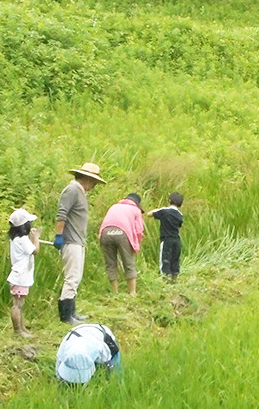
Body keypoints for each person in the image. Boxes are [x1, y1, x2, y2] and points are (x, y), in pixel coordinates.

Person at [54, 162, 106, 325]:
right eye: (94, 182)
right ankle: (66, 316)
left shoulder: (80, 192)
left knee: (76, 277)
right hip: (71, 241)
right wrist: (59, 235)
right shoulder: (72, 190)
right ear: (87, 179)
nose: (94, 186)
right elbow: (62, 213)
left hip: (78, 241)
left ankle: (72, 312)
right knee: (72, 277)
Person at [98, 192, 145, 295]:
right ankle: (132, 293)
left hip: (105, 233)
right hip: (122, 233)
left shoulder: (114, 206)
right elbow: (139, 230)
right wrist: (136, 245)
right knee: (128, 263)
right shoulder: (135, 210)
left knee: (111, 264)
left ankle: (115, 292)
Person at [7, 208, 40, 338]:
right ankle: (18, 331)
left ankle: (22, 328)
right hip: (20, 277)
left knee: (19, 304)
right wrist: (36, 237)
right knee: (17, 305)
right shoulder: (22, 240)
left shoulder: (16, 239)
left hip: (18, 275)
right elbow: (35, 251)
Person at [55, 323, 121, 385]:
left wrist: (108, 378)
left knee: (115, 377)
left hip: (103, 335)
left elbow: (108, 363)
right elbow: (58, 373)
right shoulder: (64, 350)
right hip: (77, 332)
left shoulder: (99, 347)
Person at [147, 191, 184, 280]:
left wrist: (161, 208)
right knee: (175, 259)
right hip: (177, 240)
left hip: (166, 239)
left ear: (169, 200)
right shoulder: (180, 215)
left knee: (165, 260)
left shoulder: (164, 211)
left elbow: (149, 214)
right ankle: (174, 279)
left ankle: (165, 279)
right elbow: (179, 227)